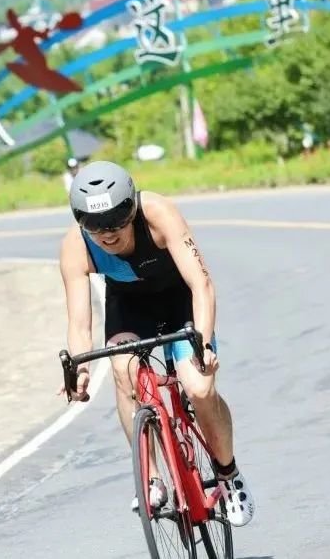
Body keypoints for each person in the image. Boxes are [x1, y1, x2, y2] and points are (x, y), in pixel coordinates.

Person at [58, 160, 256, 526]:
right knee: (123, 370)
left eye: (116, 221)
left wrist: (203, 344)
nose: (106, 234)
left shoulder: (159, 213)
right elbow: (79, 323)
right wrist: (80, 369)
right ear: (80, 220)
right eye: (94, 225)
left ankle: (229, 475)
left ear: (131, 209)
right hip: (129, 307)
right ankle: (151, 479)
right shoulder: (75, 245)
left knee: (199, 388)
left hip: (180, 299)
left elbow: (201, 283)